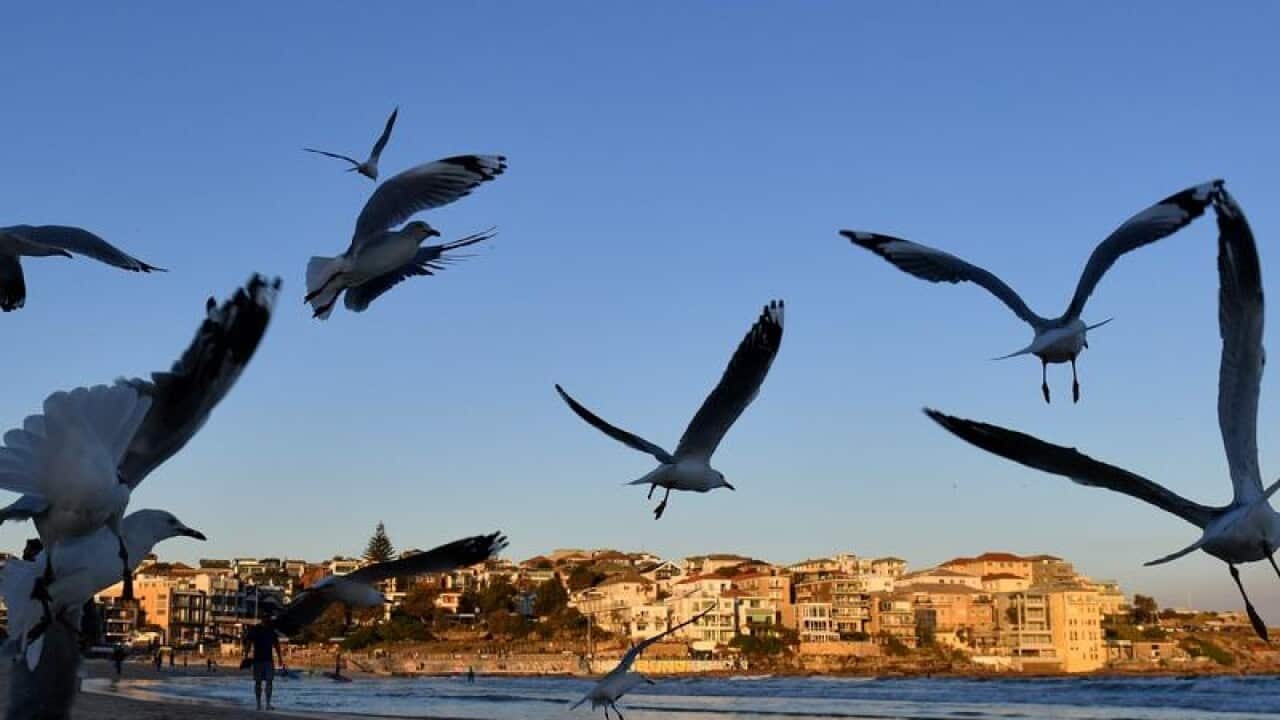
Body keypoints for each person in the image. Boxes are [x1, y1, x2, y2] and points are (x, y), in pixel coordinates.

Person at [243, 614, 286, 711]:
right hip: (258, 660)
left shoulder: (271, 630)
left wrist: (280, 658)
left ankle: (267, 704)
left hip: (268, 660)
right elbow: (249, 643)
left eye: (268, 619)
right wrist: (246, 656)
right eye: (266, 619)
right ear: (262, 619)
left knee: (269, 682)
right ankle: (259, 704)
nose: (268, 621)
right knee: (259, 682)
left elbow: (276, 645)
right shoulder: (255, 629)